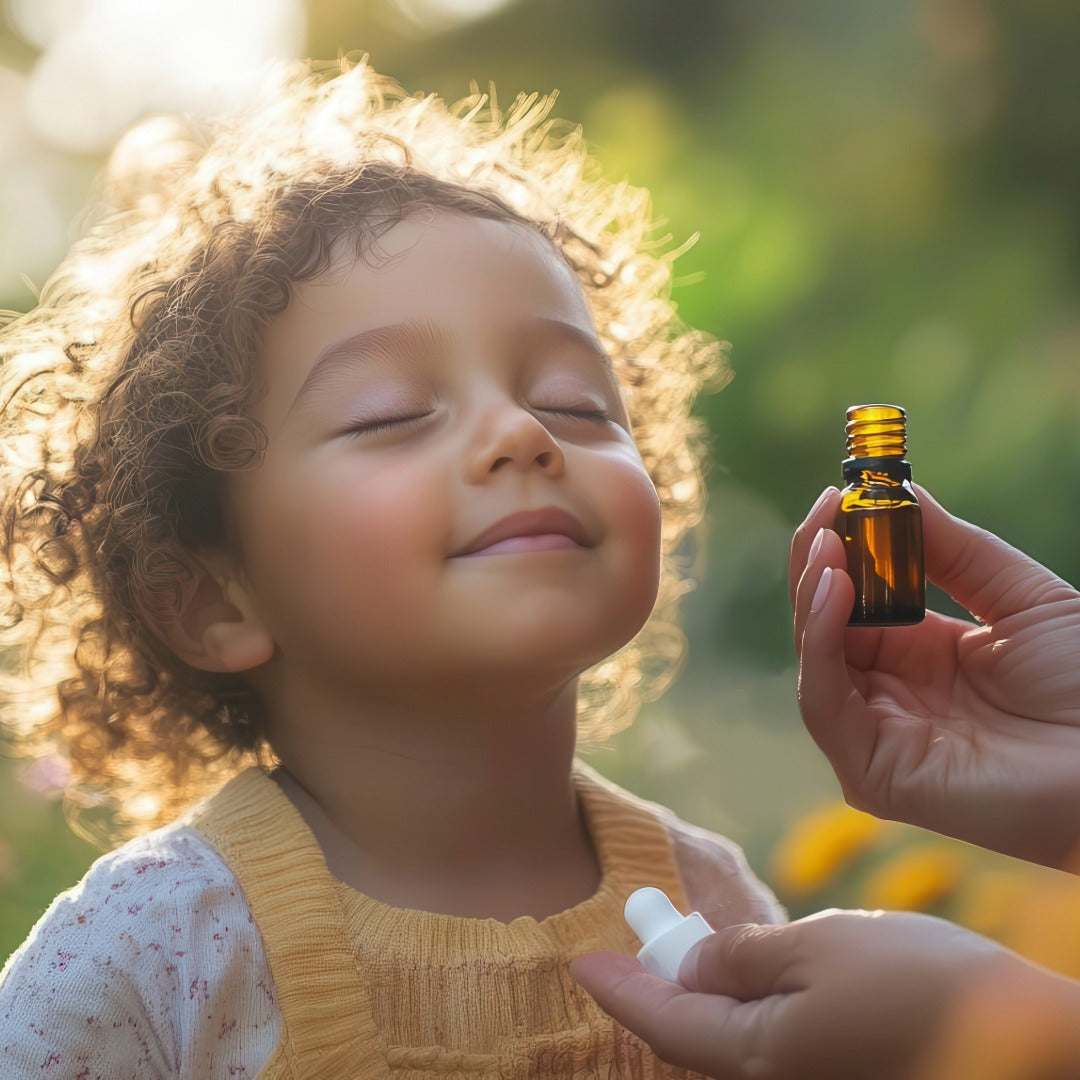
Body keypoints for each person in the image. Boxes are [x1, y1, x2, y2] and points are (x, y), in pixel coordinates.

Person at [0, 59, 782, 1078]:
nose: (520, 431)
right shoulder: (148, 953)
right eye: (391, 415)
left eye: (577, 402)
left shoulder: (709, 904)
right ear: (211, 596)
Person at [571, 484, 1080, 1078]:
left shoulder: (707, 875)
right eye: (427, 413)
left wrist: (992, 1032)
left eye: (574, 409)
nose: (525, 436)